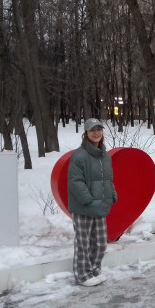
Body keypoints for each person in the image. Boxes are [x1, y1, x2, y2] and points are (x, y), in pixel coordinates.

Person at [67, 118, 118, 286]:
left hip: (100, 206)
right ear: (86, 134)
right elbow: (75, 182)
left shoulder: (105, 156)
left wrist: (112, 195)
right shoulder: (79, 155)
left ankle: (95, 269)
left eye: (99, 130)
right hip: (84, 207)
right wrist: (88, 200)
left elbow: (107, 179)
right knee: (83, 243)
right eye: (92, 130)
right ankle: (82, 275)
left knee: (100, 242)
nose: (96, 133)